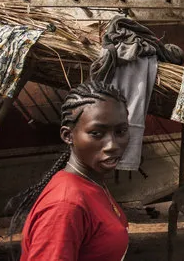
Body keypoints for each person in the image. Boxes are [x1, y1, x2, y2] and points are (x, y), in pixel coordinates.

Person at [7, 81, 131, 260]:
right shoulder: (66, 205)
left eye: (121, 131)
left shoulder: (91, 184)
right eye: (96, 133)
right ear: (68, 135)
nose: (112, 145)